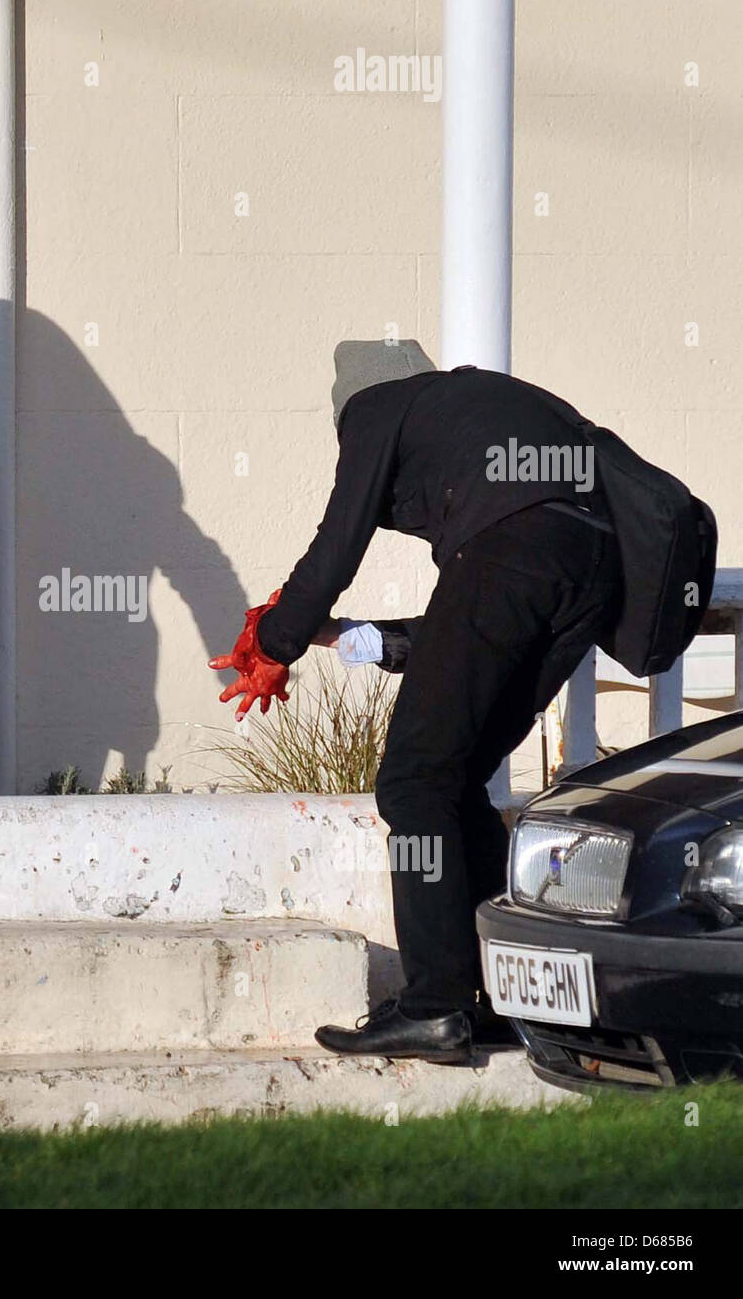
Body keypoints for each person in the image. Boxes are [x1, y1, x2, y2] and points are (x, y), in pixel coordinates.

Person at [209, 340, 623, 1062]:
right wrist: (337, 636)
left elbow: (335, 550)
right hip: (594, 575)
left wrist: (272, 641)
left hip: (518, 562)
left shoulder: (380, 406)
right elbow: (475, 626)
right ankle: (502, 996)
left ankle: (434, 1005)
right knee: (455, 777)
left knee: (412, 780)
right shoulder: (483, 416)